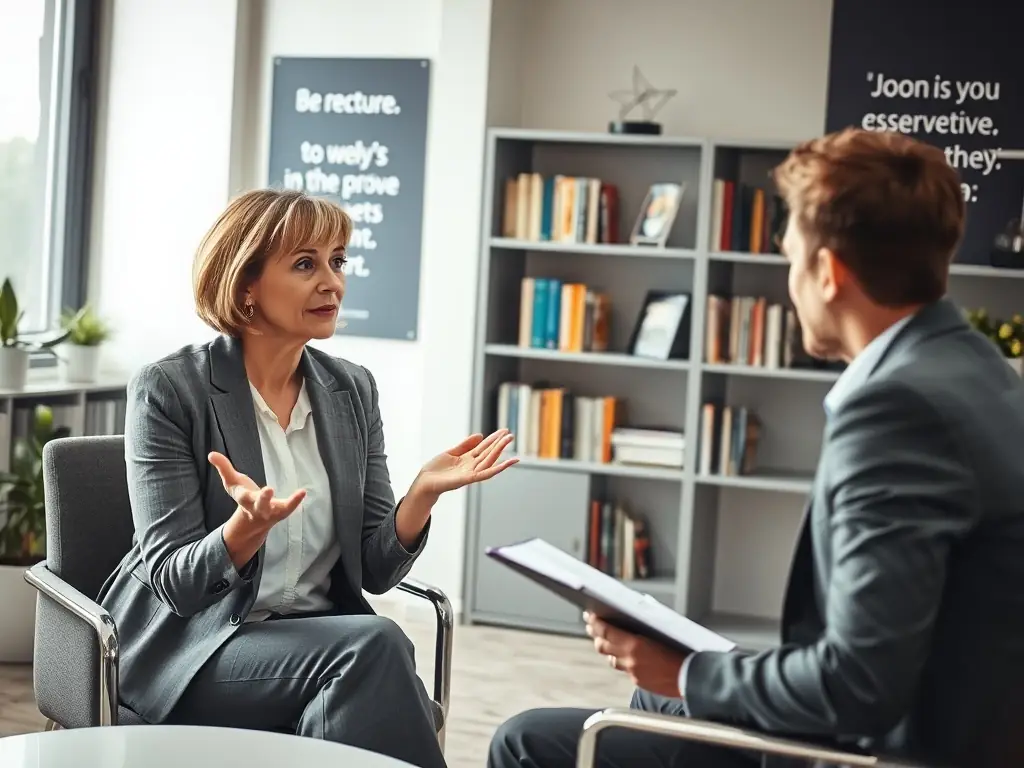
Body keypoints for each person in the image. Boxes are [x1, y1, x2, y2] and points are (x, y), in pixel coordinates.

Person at [489, 128, 1024, 768]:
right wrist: (690, 672)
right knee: (653, 696)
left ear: (827, 273)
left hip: (882, 750)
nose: (789, 280)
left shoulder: (897, 411)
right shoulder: (978, 368)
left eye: (792, 258)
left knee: (530, 740)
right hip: (955, 717)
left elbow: (858, 687)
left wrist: (691, 674)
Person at [96, 189, 517, 768]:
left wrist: (421, 494)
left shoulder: (351, 389)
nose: (332, 282)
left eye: (337, 261)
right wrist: (244, 531)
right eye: (305, 264)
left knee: (362, 671)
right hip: (200, 649)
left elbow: (375, 571)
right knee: (376, 652)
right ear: (245, 284)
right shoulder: (172, 389)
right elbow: (176, 585)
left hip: (322, 644)